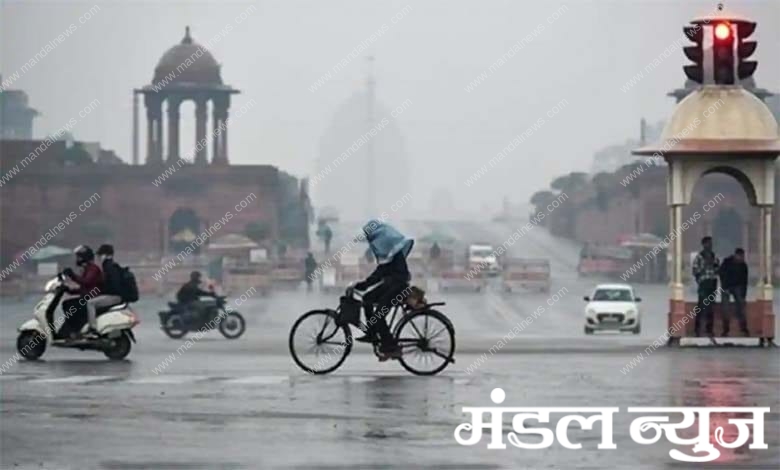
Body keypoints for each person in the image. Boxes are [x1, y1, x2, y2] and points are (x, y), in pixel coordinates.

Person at [350, 220, 413, 361]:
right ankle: (372, 333)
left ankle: (390, 346)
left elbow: (381, 271)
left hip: (399, 286)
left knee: (379, 314)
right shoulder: (391, 249)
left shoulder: (391, 250)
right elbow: (381, 271)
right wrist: (365, 284)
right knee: (367, 299)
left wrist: (365, 283)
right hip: (391, 283)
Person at [80, 244, 125, 335]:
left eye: (100, 255)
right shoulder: (109, 265)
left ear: (107, 255)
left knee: (90, 303)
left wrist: (101, 290)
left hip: (114, 296)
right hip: (114, 295)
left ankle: (93, 328)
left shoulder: (108, 266)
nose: (99, 257)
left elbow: (112, 284)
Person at [60, 245, 104, 338]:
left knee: (72, 307)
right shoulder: (87, 268)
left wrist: (72, 276)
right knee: (67, 303)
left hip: (93, 297)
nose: (78, 259)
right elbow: (84, 287)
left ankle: (75, 330)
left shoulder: (93, 268)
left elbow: (87, 282)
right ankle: (70, 329)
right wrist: (70, 290)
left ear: (85, 257)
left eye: (79, 257)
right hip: (87, 296)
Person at [692, 236, 720, 337]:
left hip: (712, 283)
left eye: (711, 243)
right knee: (701, 306)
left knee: (711, 307)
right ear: (704, 245)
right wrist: (704, 269)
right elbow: (695, 271)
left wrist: (715, 267)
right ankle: (697, 328)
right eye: (708, 243)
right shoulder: (699, 257)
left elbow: (718, 269)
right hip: (703, 283)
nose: (710, 245)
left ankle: (709, 329)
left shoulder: (714, 256)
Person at [719, 248, 749, 337]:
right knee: (725, 307)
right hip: (726, 286)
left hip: (737, 287)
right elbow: (721, 274)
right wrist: (724, 287)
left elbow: (744, 282)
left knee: (741, 304)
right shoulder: (727, 262)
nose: (742, 259)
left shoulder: (743, 266)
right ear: (736, 255)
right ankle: (725, 329)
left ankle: (743, 328)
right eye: (741, 257)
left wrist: (744, 296)